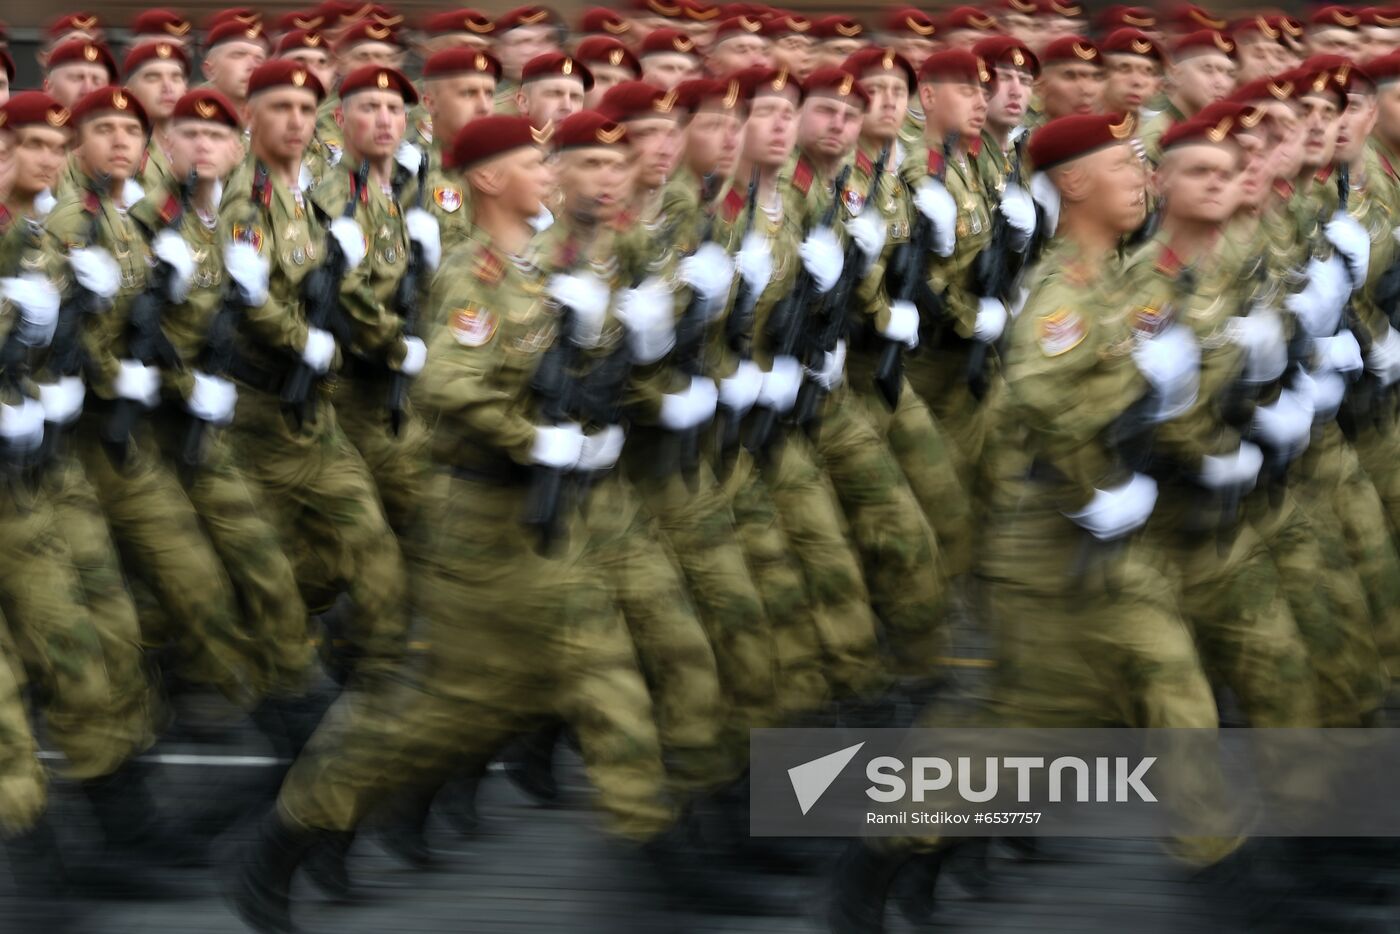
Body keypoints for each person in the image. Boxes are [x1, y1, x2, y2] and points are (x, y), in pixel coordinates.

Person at [218, 60, 408, 688]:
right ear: (250, 115)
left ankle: (362, 674)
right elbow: (254, 302)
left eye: (305, 109)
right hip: (258, 414)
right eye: (280, 108)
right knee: (275, 571)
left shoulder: (309, 194)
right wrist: (308, 343)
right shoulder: (246, 201)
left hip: (312, 414)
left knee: (369, 552)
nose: (295, 122)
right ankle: (284, 691)